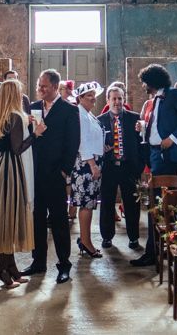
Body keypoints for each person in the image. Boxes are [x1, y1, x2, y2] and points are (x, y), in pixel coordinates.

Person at [131, 63, 177, 269]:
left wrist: (173, 138)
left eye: (144, 82)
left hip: (171, 156)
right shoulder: (154, 101)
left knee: (164, 205)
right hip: (156, 156)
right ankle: (157, 249)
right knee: (157, 204)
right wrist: (144, 127)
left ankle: (164, 250)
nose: (142, 86)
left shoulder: (174, 95)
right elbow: (160, 125)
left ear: (151, 82)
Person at [0, 79, 44, 288]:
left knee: (4, 216)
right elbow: (18, 148)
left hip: (0, 165)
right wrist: (36, 134)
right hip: (11, 168)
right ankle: (2, 270)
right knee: (10, 216)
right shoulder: (15, 117)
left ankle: (11, 268)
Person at [22, 69, 80, 285]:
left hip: (56, 173)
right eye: (39, 85)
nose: (40, 89)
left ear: (55, 87)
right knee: (36, 219)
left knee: (59, 222)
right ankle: (38, 262)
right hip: (35, 172)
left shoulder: (68, 110)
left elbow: (73, 142)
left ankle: (64, 265)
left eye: (44, 86)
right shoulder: (33, 108)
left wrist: (65, 170)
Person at [98, 84, 143, 251]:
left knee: (132, 204)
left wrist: (139, 166)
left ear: (124, 100)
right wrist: (101, 150)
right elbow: (94, 146)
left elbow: (142, 144)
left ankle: (133, 238)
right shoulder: (100, 120)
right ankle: (107, 237)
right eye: (114, 99)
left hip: (129, 167)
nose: (117, 102)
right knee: (107, 203)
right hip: (109, 168)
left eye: (120, 99)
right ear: (108, 100)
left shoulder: (135, 118)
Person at [70, 81, 105, 258]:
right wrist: (92, 164)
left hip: (92, 161)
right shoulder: (80, 114)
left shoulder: (89, 114)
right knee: (86, 205)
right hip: (86, 165)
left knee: (89, 204)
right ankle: (86, 242)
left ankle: (85, 239)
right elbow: (82, 141)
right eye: (88, 95)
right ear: (80, 98)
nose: (92, 98)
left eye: (93, 94)